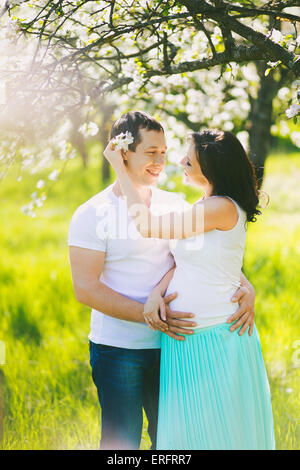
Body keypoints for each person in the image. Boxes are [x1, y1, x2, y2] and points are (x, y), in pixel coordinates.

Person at [68, 112, 256, 450]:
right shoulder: (91, 213)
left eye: (165, 152)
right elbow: (85, 289)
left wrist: (245, 286)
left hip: (176, 348)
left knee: (174, 445)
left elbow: (205, 256)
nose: (164, 161)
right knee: (121, 445)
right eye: (151, 152)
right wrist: (150, 309)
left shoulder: (178, 203)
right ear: (123, 152)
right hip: (119, 349)